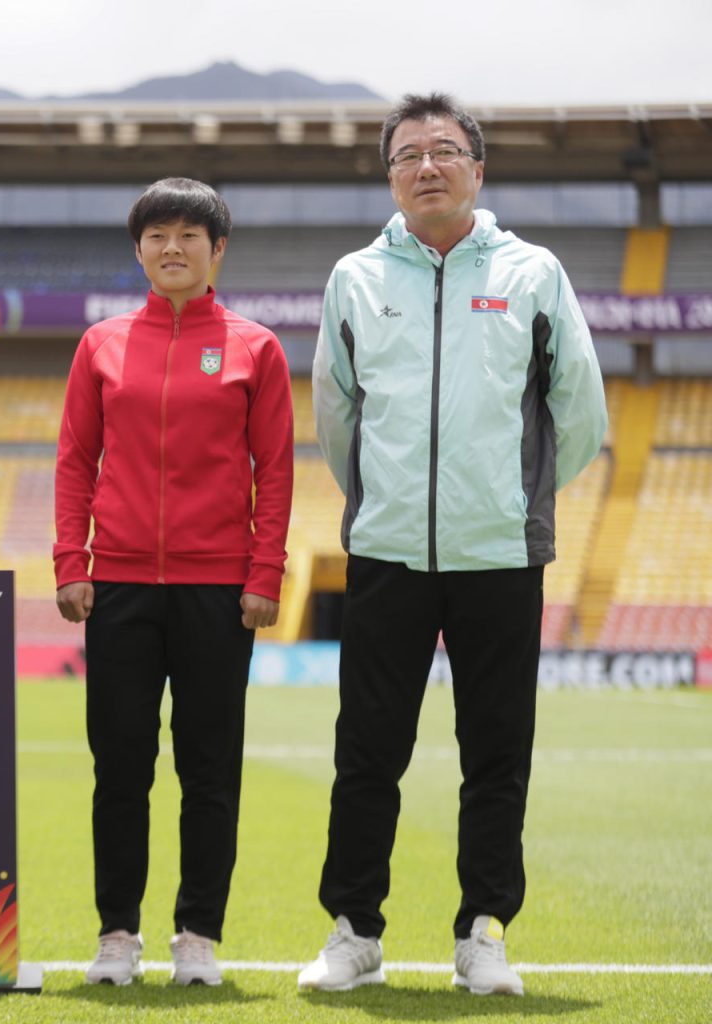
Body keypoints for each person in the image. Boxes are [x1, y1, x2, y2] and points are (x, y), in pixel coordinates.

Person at [299, 93, 608, 997]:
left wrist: (516, 500)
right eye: (407, 154)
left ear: (478, 168)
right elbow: (335, 413)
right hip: (389, 552)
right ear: (389, 174)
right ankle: (355, 932)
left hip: (500, 553)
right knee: (367, 754)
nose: (425, 166)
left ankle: (484, 933)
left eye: (443, 150)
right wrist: (386, 499)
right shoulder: (354, 276)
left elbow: (578, 409)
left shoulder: (534, 273)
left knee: (497, 753)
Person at [54, 178, 294, 987]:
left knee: (208, 769)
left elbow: (277, 471)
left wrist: (265, 573)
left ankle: (198, 934)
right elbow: (74, 461)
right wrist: (69, 562)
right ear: (139, 249)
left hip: (219, 591)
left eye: (190, 234)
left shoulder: (256, 347)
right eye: (158, 234)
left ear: (217, 249)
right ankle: (117, 934)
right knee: (119, 768)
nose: (173, 248)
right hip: (118, 586)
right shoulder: (102, 343)